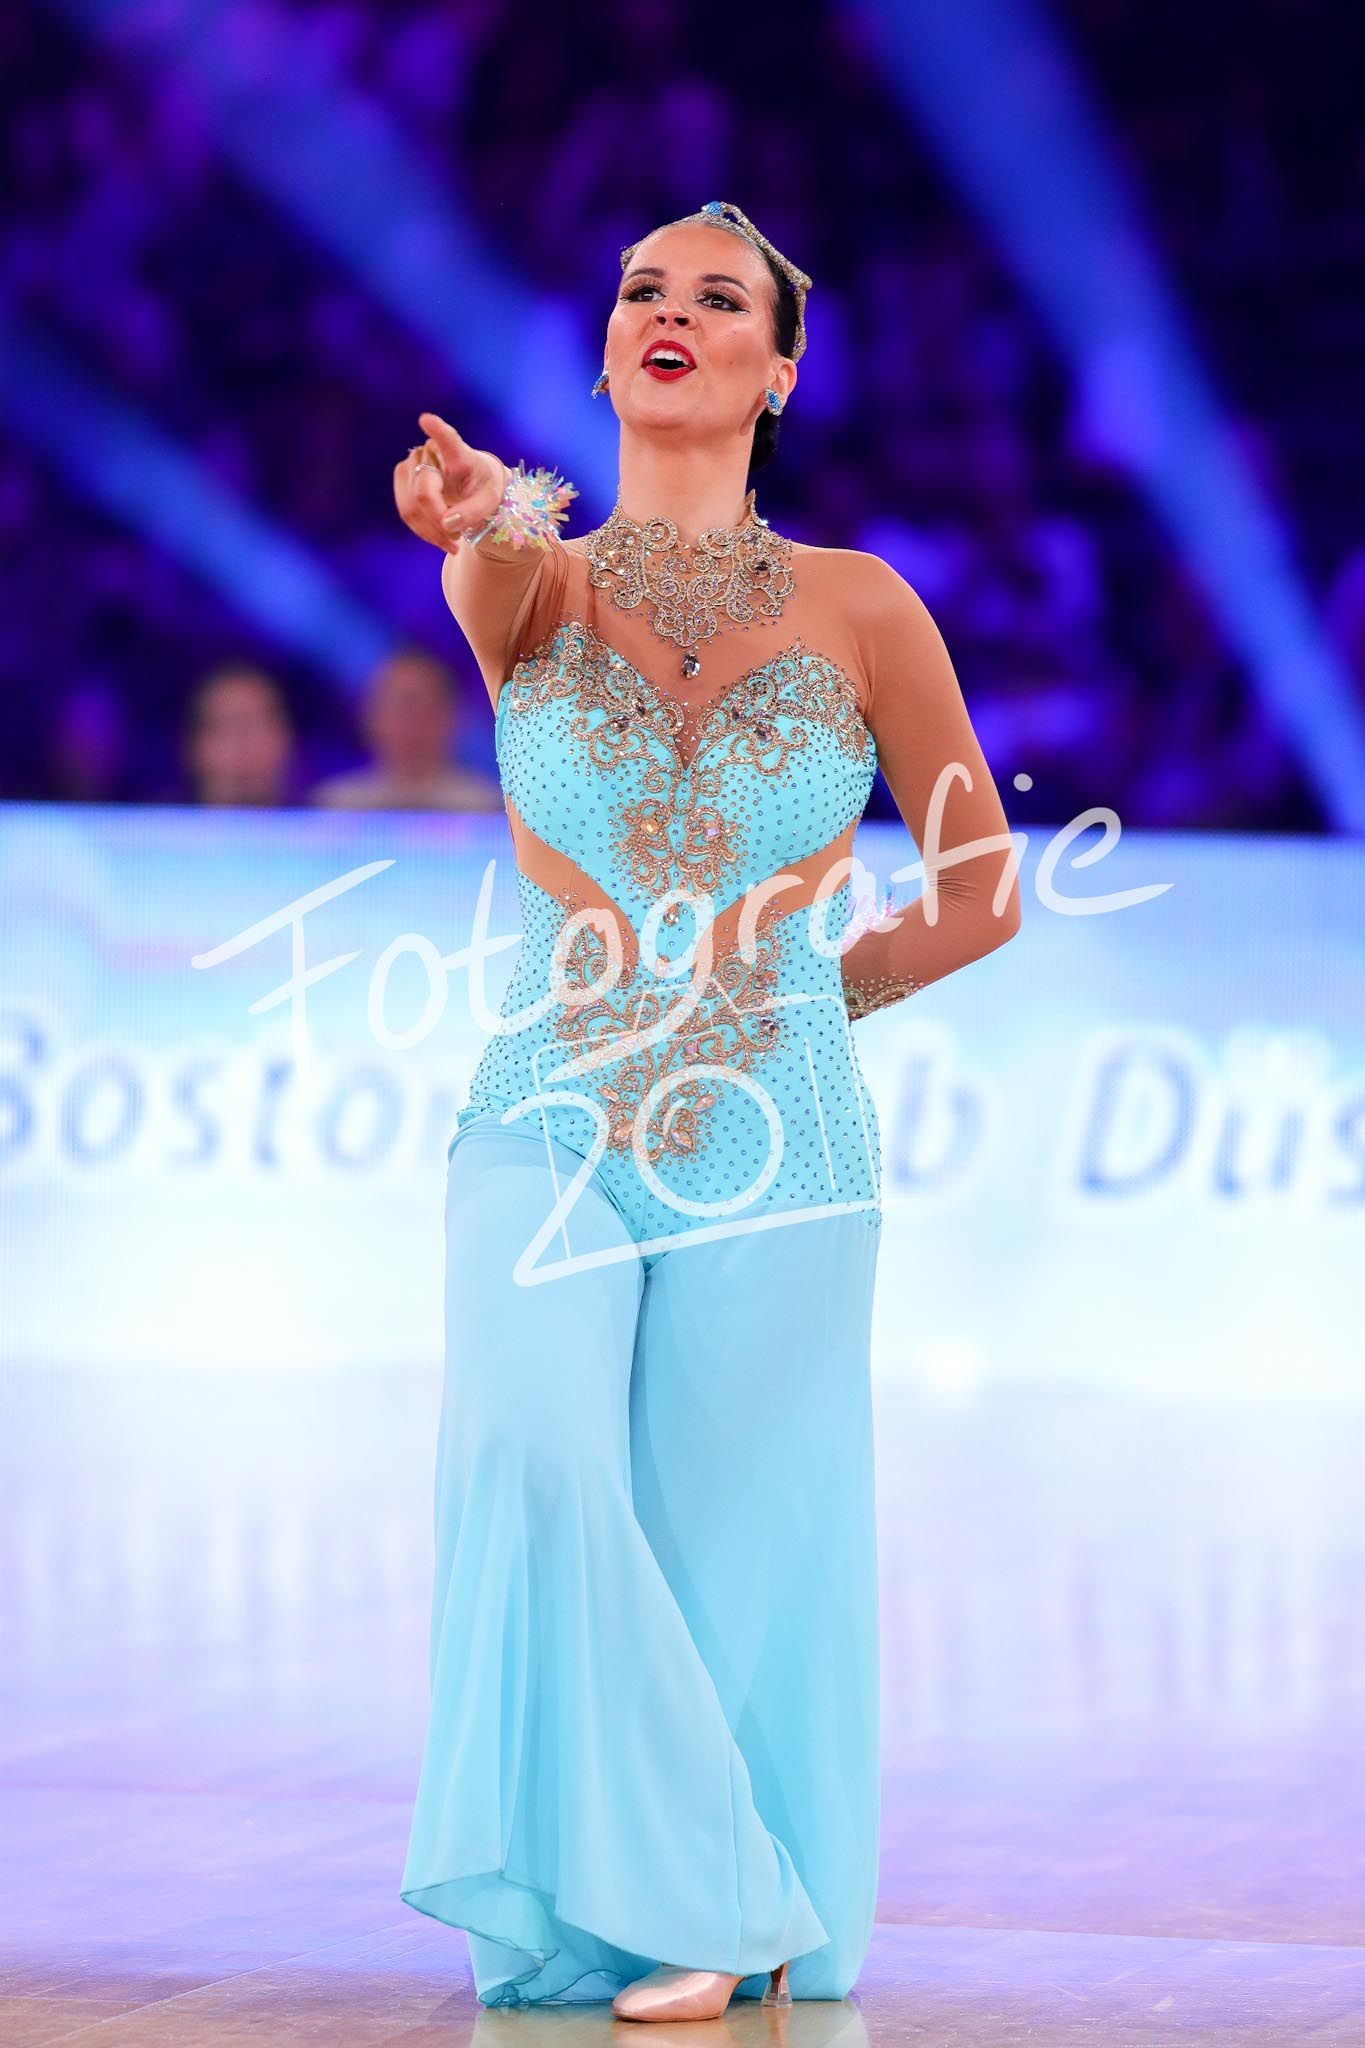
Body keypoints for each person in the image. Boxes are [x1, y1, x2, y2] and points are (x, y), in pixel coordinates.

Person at [393, 200, 1021, 2022]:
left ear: (780, 370)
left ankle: (712, 1908)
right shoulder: (535, 584)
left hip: (782, 1134)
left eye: (718, 298)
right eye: (641, 292)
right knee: (530, 1450)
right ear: (608, 357)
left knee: (727, 1547)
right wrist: (476, 511)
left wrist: (804, 996)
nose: (671, 311)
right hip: (547, 1106)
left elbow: (982, 887)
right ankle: (718, 1889)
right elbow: (482, 558)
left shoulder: (863, 604)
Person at [310, 644, 502, 812]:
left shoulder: (487, 810)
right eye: (404, 706)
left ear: (453, 717)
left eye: (426, 707)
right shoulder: (335, 809)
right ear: (371, 716)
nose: (415, 721)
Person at [180, 660, 295, 807]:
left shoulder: (317, 817)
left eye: (253, 724)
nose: (243, 743)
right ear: (194, 746)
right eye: (228, 725)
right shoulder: (158, 817)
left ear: (284, 737)